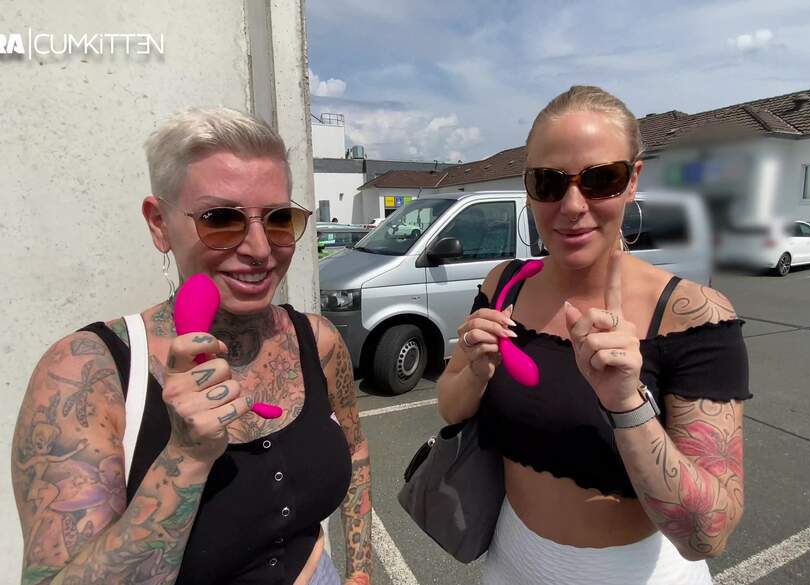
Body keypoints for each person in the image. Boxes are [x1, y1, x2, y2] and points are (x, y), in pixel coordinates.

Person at [12, 107, 372, 585]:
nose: (260, 249)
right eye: (220, 219)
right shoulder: (86, 373)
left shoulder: (318, 340)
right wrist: (186, 455)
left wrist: (360, 570)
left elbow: (355, 448)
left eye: (279, 219)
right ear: (159, 223)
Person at [436, 86, 750, 584]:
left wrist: (627, 404)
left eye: (601, 179)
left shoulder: (692, 315)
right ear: (528, 188)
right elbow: (450, 408)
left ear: (633, 180)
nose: (572, 205)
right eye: (548, 182)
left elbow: (707, 535)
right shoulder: (505, 285)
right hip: (509, 561)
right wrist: (476, 371)